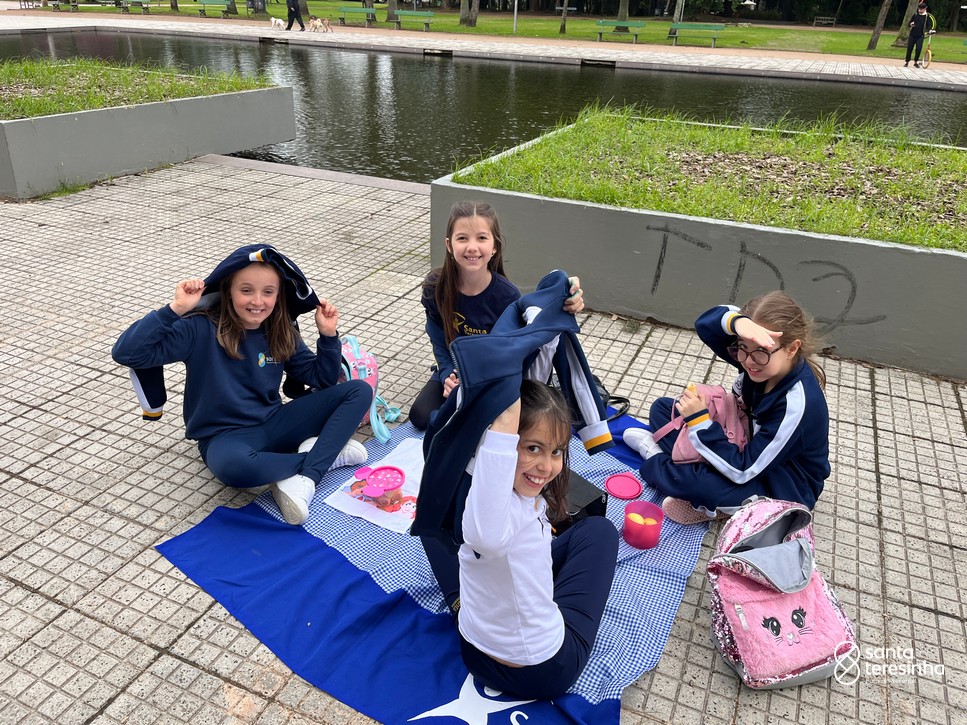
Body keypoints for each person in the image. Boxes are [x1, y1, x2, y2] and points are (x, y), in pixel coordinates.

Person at [112, 246, 372, 526]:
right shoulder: (200, 328)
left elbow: (322, 379)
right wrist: (175, 309)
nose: (257, 301)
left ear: (279, 296)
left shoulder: (280, 329)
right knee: (236, 470)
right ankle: (326, 455)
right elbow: (127, 352)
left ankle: (307, 474)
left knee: (359, 391)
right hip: (224, 436)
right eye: (246, 290)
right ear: (228, 291)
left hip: (275, 422)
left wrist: (328, 335)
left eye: (268, 292)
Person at [422, 380, 618, 700]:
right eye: (532, 448)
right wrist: (503, 424)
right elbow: (488, 538)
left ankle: (459, 602)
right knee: (601, 532)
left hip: (473, 649)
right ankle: (464, 603)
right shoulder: (494, 525)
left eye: (556, 451)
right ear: (496, 443)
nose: (547, 466)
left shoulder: (467, 487)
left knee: (431, 534)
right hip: (540, 671)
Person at [623, 291, 830, 525]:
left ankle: (656, 458)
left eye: (761, 351)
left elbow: (744, 470)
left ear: (792, 349)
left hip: (780, 484)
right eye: (742, 346)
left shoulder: (797, 404)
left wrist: (700, 421)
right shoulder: (760, 362)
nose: (748, 361)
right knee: (663, 409)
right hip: (744, 442)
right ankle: (698, 478)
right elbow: (706, 324)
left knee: (701, 484)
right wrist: (737, 322)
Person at [409, 201, 584, 431]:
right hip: (455, 369)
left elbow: (510, 354)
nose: (472, 247)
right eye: (462, 238)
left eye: (482, 238)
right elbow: (439, 340)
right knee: (420, 416)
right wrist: (446, 376)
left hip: (490, 377)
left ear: (494, 247)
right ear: (449, 245)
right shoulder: (435, 288)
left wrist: (567, 298)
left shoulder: (507, 296)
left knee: (498, 420)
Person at [905, 2, 931, 68]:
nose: (920, 10)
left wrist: (930, 30)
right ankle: (907, 61)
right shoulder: (915, 15)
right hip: (912, 35)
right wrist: (911, 24)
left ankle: (915, 62)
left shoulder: (927, 16)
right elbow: (909, 24)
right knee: (909, 48)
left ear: (925, 8)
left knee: (918, 49)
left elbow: (929, 25)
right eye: (919, 9)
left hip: (920, 36)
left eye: (921, 9)